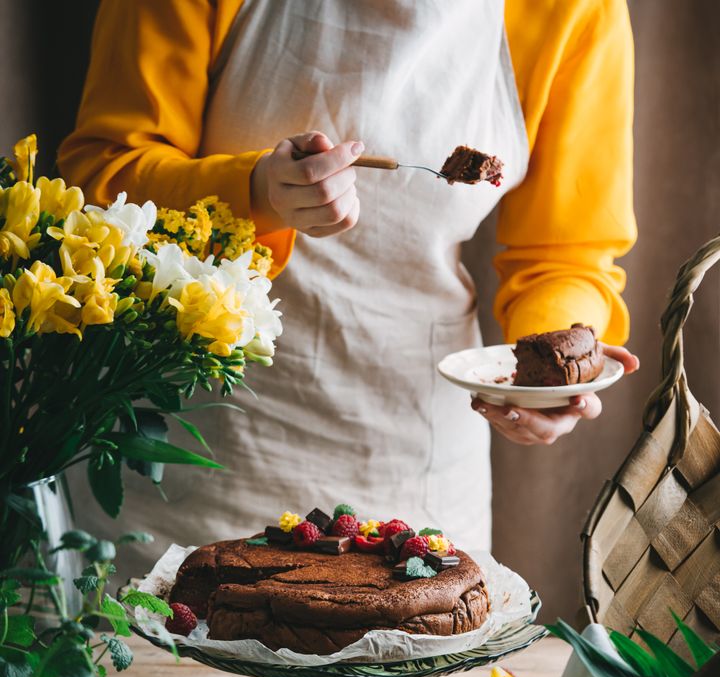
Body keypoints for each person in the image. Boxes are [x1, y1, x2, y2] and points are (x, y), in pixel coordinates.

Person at [59, 0, 639, 563]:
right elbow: (105, 173)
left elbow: (565, 253)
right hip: (190, 448)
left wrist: (543, 373)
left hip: (417, 467)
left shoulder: (575, 10)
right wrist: (256, 193)